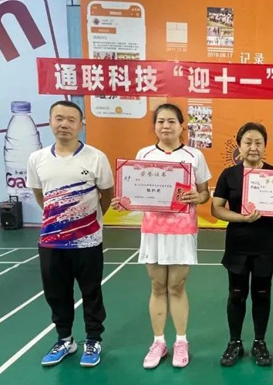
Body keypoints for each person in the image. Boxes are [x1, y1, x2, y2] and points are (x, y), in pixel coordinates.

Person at [111, 103, 211, 369]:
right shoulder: (143, 154)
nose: (166, 126)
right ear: (155, 126)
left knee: (177, 286)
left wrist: (197, 196)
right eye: (161, 121)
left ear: (181, 125)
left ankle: (181, 341)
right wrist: (124, 202)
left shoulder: (194, 155)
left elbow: (204, 193)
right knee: (157, 285)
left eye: (171, 121)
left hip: (182, 230)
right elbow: (135, 191)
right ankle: (158, 342)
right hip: (153, 229)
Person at [26, 100, 114, 367]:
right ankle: (65, 339)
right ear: (50, 121)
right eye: (59, 118)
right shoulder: (37, 159)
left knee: (91, 292)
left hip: (88, 242)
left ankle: (93, 340)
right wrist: (59, 223)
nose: (64, 124)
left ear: (80, 124)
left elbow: (107, 195)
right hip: (51, 243)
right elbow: (40, 196)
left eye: (71, 119)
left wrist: (88, 222)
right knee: (56, 294)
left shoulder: (96, 157)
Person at [212, 122, 273, 367]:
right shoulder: (229, 175)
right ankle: (234, 342)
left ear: (265, 146)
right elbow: (216, 208)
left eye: (258, 143)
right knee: (236, 294)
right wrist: (241, 218)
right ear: (239, 146)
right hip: (237, 244)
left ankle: (259, 342)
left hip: (266, 245)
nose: (253, 147)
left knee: (262, 294)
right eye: (248, 142)